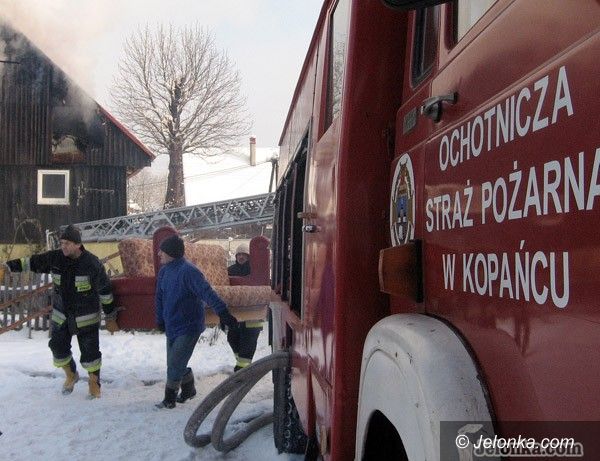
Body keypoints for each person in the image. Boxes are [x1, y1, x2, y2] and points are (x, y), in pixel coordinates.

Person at [1, 225, 119, 398]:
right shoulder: (55, 258)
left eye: (67, 243)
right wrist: (8, 267)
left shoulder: (92, 264)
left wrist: (110, 316)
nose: (63, 246)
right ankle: (71, 374)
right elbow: (31, 262)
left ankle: (94, 383)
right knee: (57, 347)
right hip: (61, 316)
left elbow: (105, 291)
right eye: (62, 243)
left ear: (78, 245)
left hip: (86, 317)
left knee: (90, 354)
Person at [155, 234, 238, 409]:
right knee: (174, 363)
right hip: (172, 325)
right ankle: (188, 389)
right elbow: (160, 297)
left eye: (162, 251)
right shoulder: (164, 271)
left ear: (171, 252)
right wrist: (160, 319)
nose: (159, 254)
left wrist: (223, 313)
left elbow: (207, 292)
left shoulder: (189, 271)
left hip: (189, 326)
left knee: (175, 364)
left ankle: (169, 399)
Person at [227, 242, 263, 372]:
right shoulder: (229, 271)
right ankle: (241, 364)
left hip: (253, 314)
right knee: (232, 338)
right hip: (234, 313)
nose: (241, 257)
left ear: (249, 256)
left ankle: (242, 369)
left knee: (248, 342)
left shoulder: (255, 270)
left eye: (244, 254)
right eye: (239, 254)